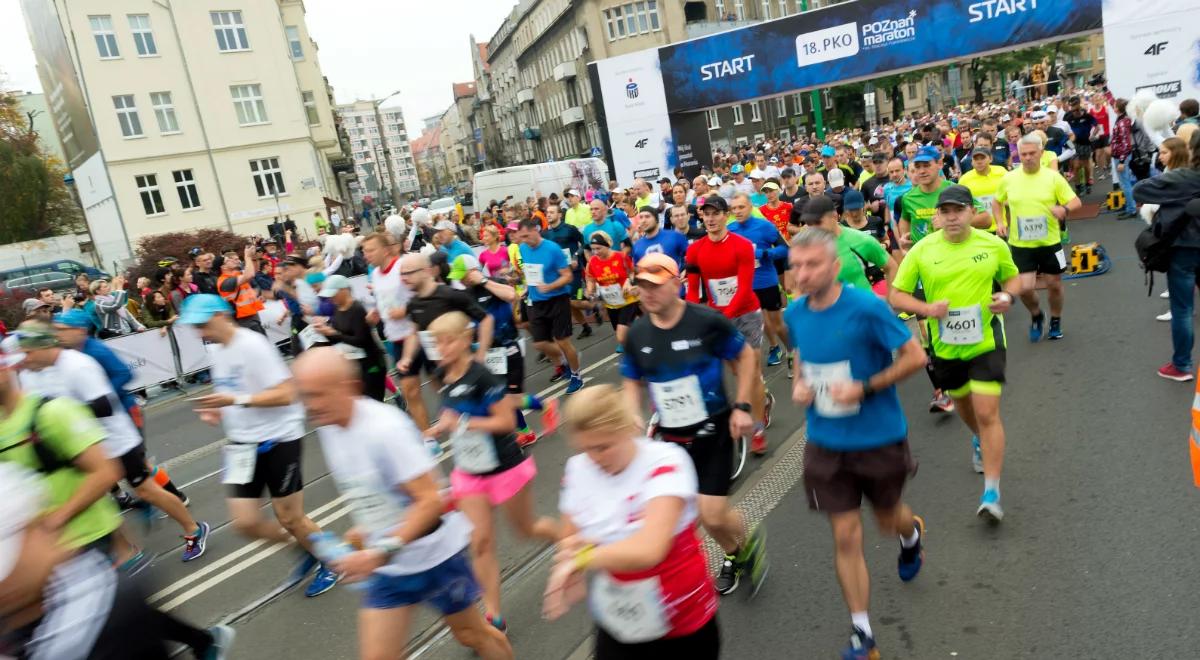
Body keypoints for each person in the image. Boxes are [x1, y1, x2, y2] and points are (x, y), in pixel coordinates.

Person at [292, 348, 513, 660]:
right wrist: (362, 533)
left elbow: (430, 501)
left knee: (470, 634)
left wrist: (381, 550)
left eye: (317, 395)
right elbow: (377, 493)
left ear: (347, 387)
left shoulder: (385, 429)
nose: (310, 406)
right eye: (305, 396)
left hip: (436, 559)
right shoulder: (330, 426)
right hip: (390, 567)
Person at [784, 228, 927, 660]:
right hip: (826, 442)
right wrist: (799, 384)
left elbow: (915, 357)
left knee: (887, 519)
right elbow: (801, 355)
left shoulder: (865, 307)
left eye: (812, 265)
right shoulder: (794, 314)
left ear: (833, 266)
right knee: (846, 535)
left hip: (878, 437)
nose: (802, 274)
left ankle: (911, 532)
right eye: (796, 266)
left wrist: (863, 387)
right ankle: (862, 632)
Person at [623, 253, 767, 596]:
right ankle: (734, 554)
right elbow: (632, 379)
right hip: (669, 437)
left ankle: (747, 540)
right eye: (642, 286)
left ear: (677, 283)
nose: (648, 293)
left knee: (713, 514)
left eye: (655, 285)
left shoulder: (705, 321)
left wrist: (743, 406)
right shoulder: (637, 333)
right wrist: (631, 412)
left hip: (712, 428)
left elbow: (744, 355)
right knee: (681, 517)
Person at [179, 294, 340, 598]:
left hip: (279, 438)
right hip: (241, 444)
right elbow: (231, 386)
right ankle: (307, 549)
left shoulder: (252, 345)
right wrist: (218, 408)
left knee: (290, 518)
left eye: (202, 324)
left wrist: (235, 400)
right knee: (246, 523)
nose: (200, 332)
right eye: (195, 327)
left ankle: (331, 560)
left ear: (220, 315)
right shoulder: (216, 349)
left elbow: (287, 394)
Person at [543, 384, 720, 660]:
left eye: (603, 447)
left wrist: (582, 558)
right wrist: (570, 559)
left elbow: (650, 549)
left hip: (682, 620)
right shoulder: (579, 469)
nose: (595, 458)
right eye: (586, 448)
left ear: (626, 428)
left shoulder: (665, 461)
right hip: (621, 618)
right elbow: (570, 536)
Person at [13, 323, 209, 566]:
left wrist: (61, 415)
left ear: (44, 346)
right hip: (79, 447)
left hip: (116, 440)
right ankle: (127, 553)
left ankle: (194, 529)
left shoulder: (78, 364)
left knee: (146, 490)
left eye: (28, 352)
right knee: (95, 499)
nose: (24, 358)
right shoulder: (31, 373)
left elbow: (105, 405)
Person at [890, 185, 1022, 520]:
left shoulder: (991, 244)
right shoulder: (922, 250)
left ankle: (991, 492)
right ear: (937, 216)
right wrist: (927, 308)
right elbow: (897, 295)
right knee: (964, 405)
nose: (952, 218)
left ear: (971, 212)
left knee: (988, 411)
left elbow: (1012, 278)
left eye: (958, 211)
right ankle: (979, 439)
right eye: (945, 212)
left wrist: (1007, 298)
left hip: (986, 342)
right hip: (946, 346)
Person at [421, 312, 557, 633]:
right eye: (436, 342)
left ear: (466, 339)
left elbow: (506, 422)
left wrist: (465, 424)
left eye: (448, 340)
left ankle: (569, 538)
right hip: (469, 472)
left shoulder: (481, 375)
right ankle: (493, 614)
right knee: (480, 542)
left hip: (504, 466)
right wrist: (436, 430)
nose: (441, 347)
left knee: (526, 529)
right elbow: (452, 412)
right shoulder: (443, 374)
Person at [686, 196, 770, 456]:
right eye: (706, 214)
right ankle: (761, 399)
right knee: (732, 372)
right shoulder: (695, 250)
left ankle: (757, 428)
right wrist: (694, 316)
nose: (710, 219)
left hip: (745, 314)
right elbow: (692, 290)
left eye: (715, 213)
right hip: (715, 315)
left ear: (726, 216)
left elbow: (745, 288)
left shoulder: (742, 245)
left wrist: (726, 316)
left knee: (751, 371)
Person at [995, 134, 1082, 342]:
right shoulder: (1009, 178)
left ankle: (1055, 319)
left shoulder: (1053, 177)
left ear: (1041, 153)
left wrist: (1064, 209)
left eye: (1032, 153)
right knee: (1024, 288)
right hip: (1020, 244)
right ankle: (1036, 315)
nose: (1027, 157)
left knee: (1054, 284)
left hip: (1049, 242)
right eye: (1023, 154)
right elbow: (997, 202)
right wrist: (1000, 222)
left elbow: (1075, 201)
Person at [1133, 131, 1200, 381]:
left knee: (1182, 309)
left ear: (1192, 150)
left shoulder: (1181, 177)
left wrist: (1171, 198)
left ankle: (1182, 366)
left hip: (1183, 248)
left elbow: (1140, 190)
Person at [516, 219, 585, 393]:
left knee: (562, 340)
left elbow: (567, 276)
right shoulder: (523, 248)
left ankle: (576, 375)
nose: (524, 239)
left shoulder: (552, 249)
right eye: (521, 237)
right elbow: (531, 272)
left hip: (557, 299)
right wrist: (526, 288)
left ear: (535, 230)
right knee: (539, 344)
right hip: (535, 300)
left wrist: (550, 286)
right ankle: (567, 360)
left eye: (526, 235)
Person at [729, 192, 790, 370]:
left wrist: (764, 254)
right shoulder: (731, 230)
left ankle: (792, 350)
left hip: (767, 282)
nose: (738, 211)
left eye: (741, 207)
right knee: (761, 323)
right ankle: (774, 347)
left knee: (777, 324)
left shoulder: (764, 227)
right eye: (734, 209)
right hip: (746, 285)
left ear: (750, 207)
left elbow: (784, 249)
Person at [311, 275, 388, 401]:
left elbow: (361, 340)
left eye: (333, 294)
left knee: (374, 403)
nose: (331, 298)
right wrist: (324, 331)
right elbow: (336, 336)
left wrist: (333, 334)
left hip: (370, 363)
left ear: (344, 290)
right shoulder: (337, 308)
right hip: (353, 365)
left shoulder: (357, 309)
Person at [796, 196, 896, 292]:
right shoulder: (808, 248)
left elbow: (891, 267)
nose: (813, 228)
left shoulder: (860, 240)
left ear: (834, 216)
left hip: (863, 306)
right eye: (809, 223)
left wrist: (890, 299)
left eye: (818, 222)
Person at [584, 232, 638, 349]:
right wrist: (589, 290)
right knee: (620, 333)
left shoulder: (621, 257)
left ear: (608, 245)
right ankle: (635, 342)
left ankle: (636, 351)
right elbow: (590, 279)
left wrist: (629, 282)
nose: (596, 252)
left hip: (627, 300)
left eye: (599, 248)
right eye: (593, 249)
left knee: (621, 335)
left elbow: (633, 272)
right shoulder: (593, 262)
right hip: (611, 303)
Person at [216, 244, 267, 335]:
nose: (233, 260)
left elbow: (254, 270)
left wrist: (253, 257)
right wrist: (247, 257)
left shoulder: (236, 274)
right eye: (228, 260)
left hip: (252, 316)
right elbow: (249, 275)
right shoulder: (224, 282)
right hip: (244, 321)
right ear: (223, 267)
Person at [957, 147, 1009, 233]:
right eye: (976, 159)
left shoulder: (1001, 172)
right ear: (972, 162)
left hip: (1000, 227)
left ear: (990, 158)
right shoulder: (964, 179)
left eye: (982, 158)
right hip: (977, 230)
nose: (979, 161)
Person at [1111, 98, 1140, 219]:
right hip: (1120, 155)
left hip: (1121, 156)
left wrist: (1122, 161)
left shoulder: (1122, 122)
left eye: (1115, 105)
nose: (1113, 106)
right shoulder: (1122, 118)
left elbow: (1125, 143)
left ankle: (1131, 209)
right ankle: (1129, 206)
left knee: (1125, 183)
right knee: (1125, 183)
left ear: (1118, 108)